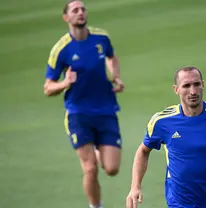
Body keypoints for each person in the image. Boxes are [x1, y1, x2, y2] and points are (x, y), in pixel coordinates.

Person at [126, 67, 206, 208]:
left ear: (202, 84)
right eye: (186, 86)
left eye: (197, 84)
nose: (193, 91)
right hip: (180, 203)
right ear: (176, 89)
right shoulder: (162, 121)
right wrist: (135, 186)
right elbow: (143, 151)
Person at [43, 1, 125, 207]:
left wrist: (115, 76)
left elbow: (111, 56)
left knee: (112, 168)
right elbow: (47, 87)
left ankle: (98, 149)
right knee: (90, 168)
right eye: (75, 10)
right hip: (78, 114)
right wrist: (64, 83)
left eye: (83, 9)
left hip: (106, 110)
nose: (80, 13)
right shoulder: (61, 49)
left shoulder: (101, 38)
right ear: (66, 18)